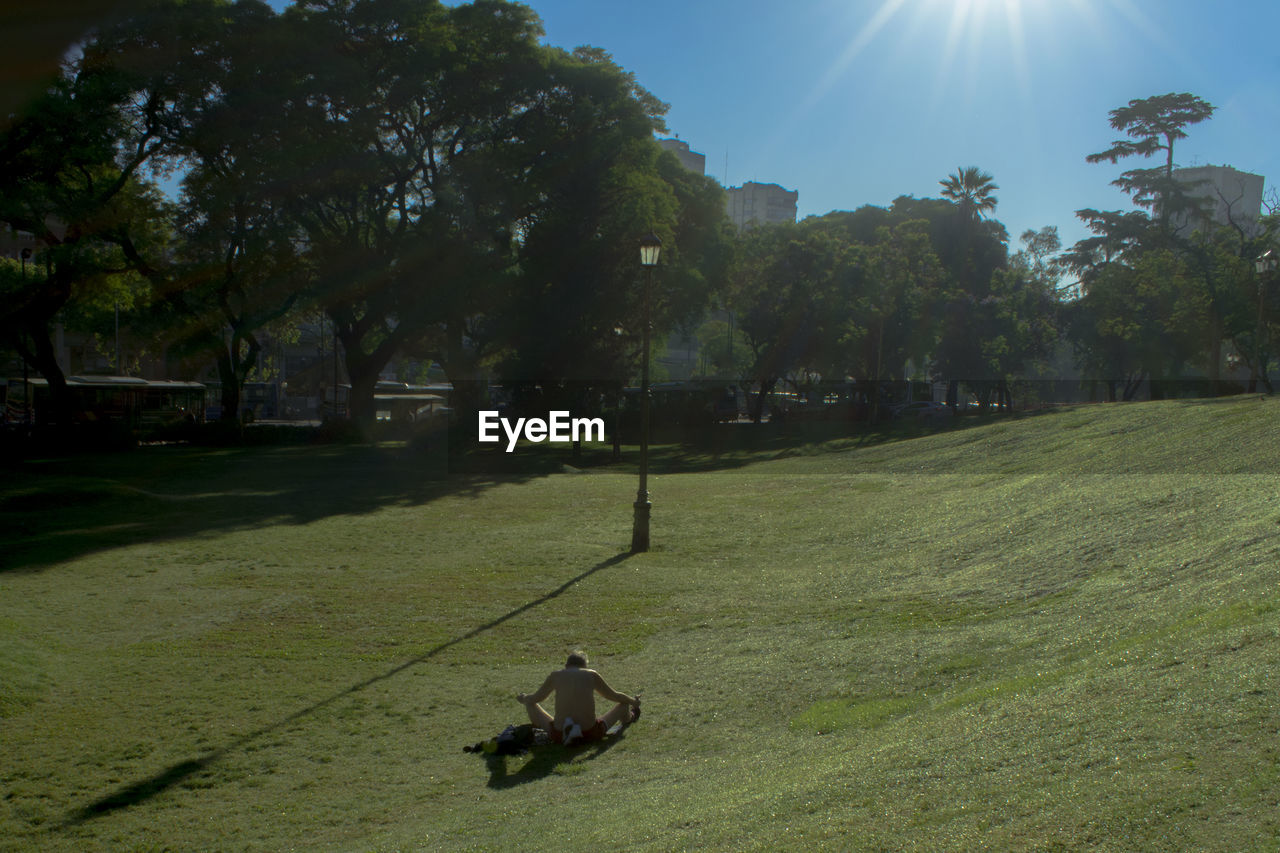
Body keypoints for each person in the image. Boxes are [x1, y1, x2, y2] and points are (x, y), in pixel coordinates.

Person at [516, 650, 640, 745]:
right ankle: (631, 717)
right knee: (624, 705)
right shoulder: (591, 674)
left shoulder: (556, 676)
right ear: (584, 666)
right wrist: (634, 701)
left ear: (566, 665)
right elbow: (615, 696)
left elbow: (535, 698)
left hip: (559, 733)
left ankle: (567, 731)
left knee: (530, 704)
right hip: (590, 732)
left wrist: (524, 698)